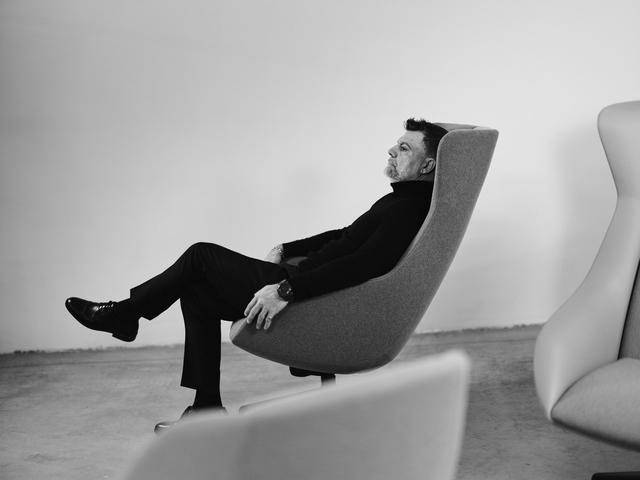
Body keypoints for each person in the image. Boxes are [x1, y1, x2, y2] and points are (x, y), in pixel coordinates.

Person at [65, 118, 448, 432]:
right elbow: (345, 236)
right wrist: (288, 246)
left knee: (201, 256)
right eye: (396, 144)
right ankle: (205, 407)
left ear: (428, 166)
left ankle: (125, 314)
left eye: (404, 148)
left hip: (310, 295)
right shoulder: (400, 201)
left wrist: (285, 290)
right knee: (196, 291)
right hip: (300, 279)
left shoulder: (407, 210)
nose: (392, 151)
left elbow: (362, 266)